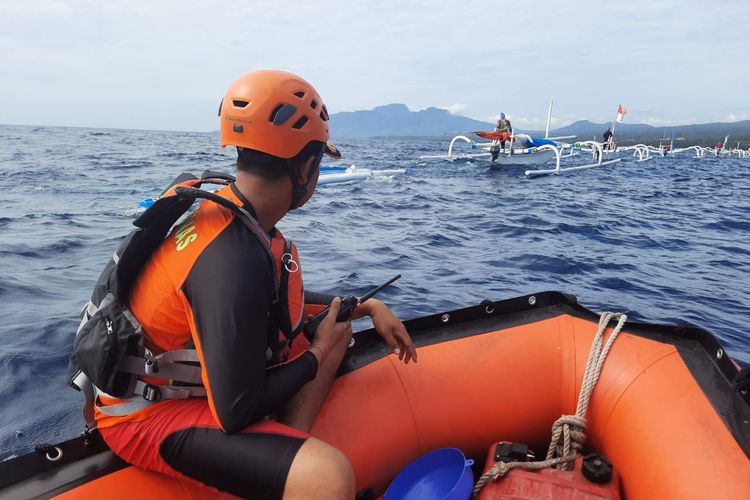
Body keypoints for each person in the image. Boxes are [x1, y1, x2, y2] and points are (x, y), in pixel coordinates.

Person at [93, 70, 418, 499]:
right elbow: (235, 412)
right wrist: (318, 354)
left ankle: (277, 463)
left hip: (186, 381)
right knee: (329, 474)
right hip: (144, 415)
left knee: (335, 331)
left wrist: (366, 308)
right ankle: (288, 474)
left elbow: (277, 307)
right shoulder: (232, 256)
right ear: (305, 166)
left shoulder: (231, 213)